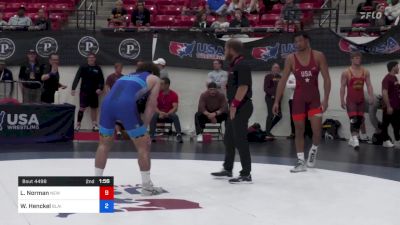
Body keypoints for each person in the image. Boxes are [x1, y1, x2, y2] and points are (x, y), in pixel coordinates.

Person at [94, 62, 164, 196]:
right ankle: (147, 187)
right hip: (126, 106)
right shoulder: (154, 79)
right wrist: (144, 127)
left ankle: (97, 184)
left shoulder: (123, 77)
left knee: (103, 145)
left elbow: (116, 96)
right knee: (143, 146)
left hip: (107, 105)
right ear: (153, 72)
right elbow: (151, 105)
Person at [273, 32, 331, 173]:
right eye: (295, 42)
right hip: (298, 99)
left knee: (317, 132)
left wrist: (326, 99)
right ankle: (300, 161)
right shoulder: (291, 59)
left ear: (307, 41)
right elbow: (283, 80)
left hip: (314, 99)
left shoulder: (318, 56)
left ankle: (313, 150)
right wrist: (276, 101)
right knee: (299, 130)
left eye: (300, 41)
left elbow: (327, 79)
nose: (297, 44)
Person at [211, 39, 253, 184]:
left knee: (240, 139)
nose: (224, 52)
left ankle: (246, 173)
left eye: (225, 49)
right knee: (228, 137)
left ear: (231, 49)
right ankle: (228, 168)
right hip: (235, 106)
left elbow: (243, 87)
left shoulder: (242, 65)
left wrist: (234, 106)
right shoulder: (234, 65)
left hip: (241, 106)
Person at [340, 52, 374, 151]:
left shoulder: (365, 71)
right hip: (351, 100)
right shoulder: (346, 72)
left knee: (359, 120)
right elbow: (342, 87)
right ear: (351, 59)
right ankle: (355, 140)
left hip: (361, 100)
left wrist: (371, 96)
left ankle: (352, 138)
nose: (357, 59)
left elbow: (369, 85)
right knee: (353, 120)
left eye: (359, 58)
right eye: (355, 58)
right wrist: (341, 99)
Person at [71, 53, 104, 132]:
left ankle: (94, 125)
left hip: (94, 92)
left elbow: (101, 80)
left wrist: (100, 88)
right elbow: (77, 77)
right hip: (84, 91)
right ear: (87, 59)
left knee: (94, 108)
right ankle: (78, 125)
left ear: (95, 59)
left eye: (93, 58)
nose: (91, 59)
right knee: (82, 108)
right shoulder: (83, 67)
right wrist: (73, 88)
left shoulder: (98, 68)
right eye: (90, 57)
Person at [149, 77, 183, 143]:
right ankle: (152, 135)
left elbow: (175, 107)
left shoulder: (173, 94)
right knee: (154, 115)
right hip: (159, 114)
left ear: (167, 85)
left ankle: (179, 135)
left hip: (168, 115)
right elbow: (154, 106)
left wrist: (168, 114)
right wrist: (160, 113)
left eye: (161, 84)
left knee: (175, 116)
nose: (160, 85)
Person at [381, 61, 400, 149]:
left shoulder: (395, 78)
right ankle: (385, 141)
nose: (398, 68)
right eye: (397, 66)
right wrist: (388, 106)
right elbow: (384, 93)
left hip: (396, 106)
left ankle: (397, 141)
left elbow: (396, 91)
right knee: (385, 124)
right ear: (393, 67)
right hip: (389, 106)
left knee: (396, 124)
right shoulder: (386, 79)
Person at [105, 63, 124, 138]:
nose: (121, 69)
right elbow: (106, 86)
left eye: (121, 68)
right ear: (115, 68)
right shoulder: (111, 77)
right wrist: (108, 95)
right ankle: (116, 131)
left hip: (121, 98)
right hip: (113, 98)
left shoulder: (123, 77)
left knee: (120, 115)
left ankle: (119, 130)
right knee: (114, 115)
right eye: (119, 68)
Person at [264, 63, 282, 140]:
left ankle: (267, 131)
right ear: (272, 69)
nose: (276, 69)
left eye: (277, 68)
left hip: (278, 99)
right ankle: (267, 133)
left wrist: (279, 97)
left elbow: (282, 88)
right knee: (271, 115)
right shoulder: (268, 77)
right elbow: (266, 88)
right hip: (270, 98)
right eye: (275, 67)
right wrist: (273, 95)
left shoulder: (280, 77)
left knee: (279, 115)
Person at [286, 73, 296, 138]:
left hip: (303, 100)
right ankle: (293, 133)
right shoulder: (292, 76)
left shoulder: (304, 75)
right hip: (293, 99)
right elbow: (288, 85)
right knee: (293, 117)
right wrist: (299, 84)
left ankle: (303, 133)